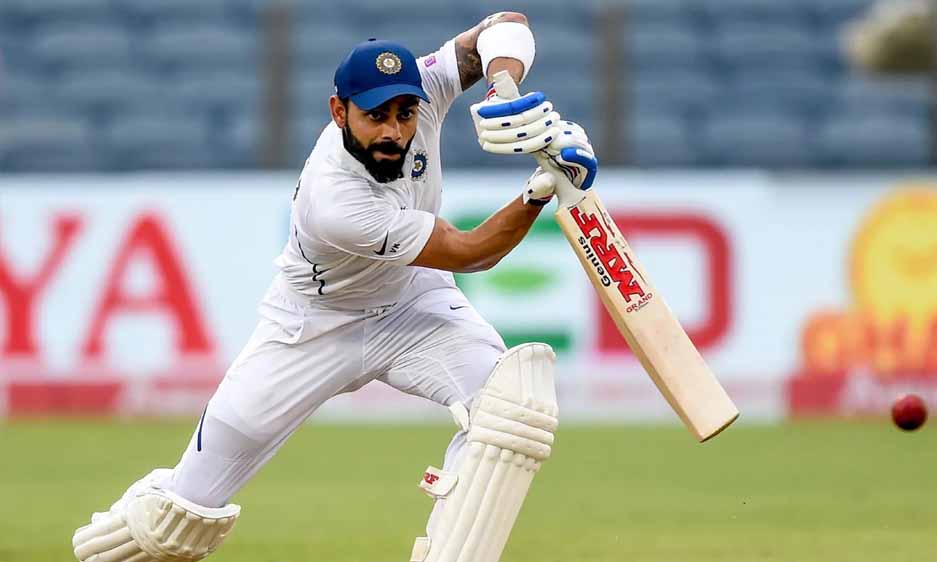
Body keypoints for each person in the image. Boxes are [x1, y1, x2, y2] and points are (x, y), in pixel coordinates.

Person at [71, 11, 597, 562]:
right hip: (312, 327)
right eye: (375, 117)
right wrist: (542, 188)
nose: (394, 132)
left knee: (511, 406)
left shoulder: (424, 90)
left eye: (405, 114)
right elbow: (472, 253)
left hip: (411, 305)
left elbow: (504, 25)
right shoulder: (335, 201)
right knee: (178, 518)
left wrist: (504, 88)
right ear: (339, 111)